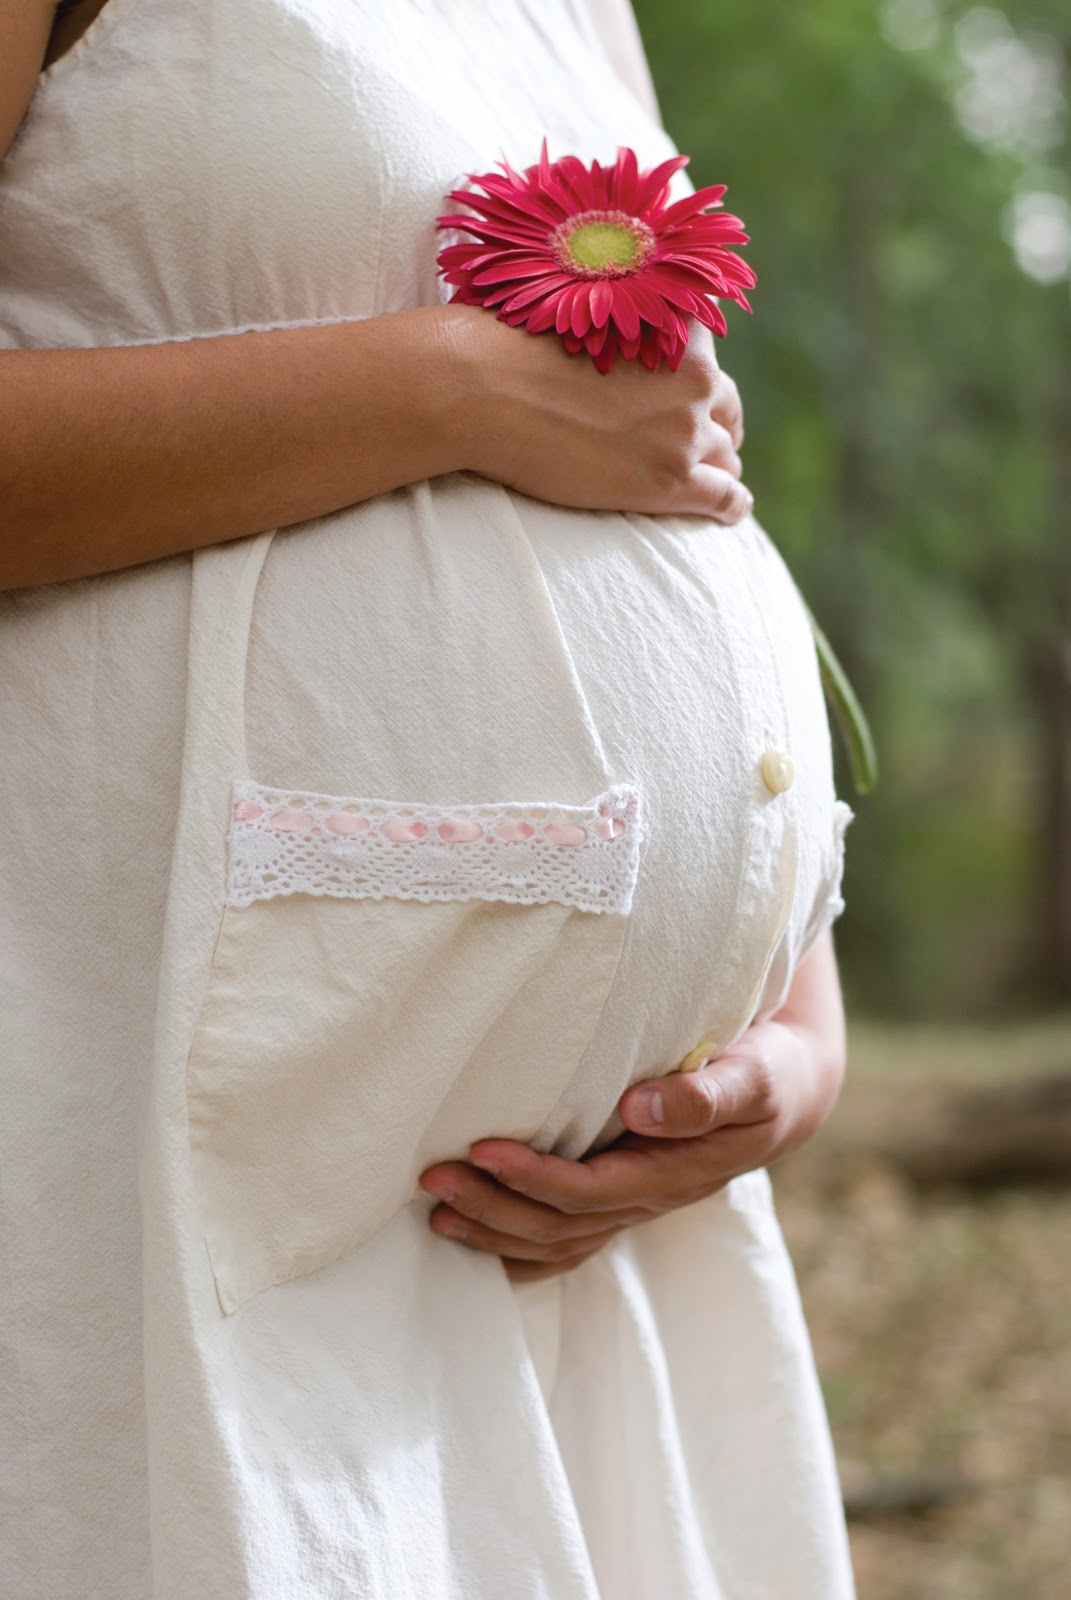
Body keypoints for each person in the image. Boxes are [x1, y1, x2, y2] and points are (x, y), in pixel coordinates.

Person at [0, 2, 856, 1596]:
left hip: (597, 1270)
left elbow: (682, 458)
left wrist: (795, 1028)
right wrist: (444, 389)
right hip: (171, 1175)